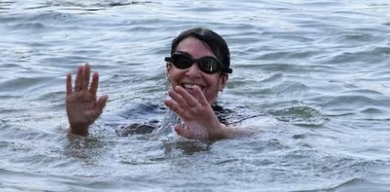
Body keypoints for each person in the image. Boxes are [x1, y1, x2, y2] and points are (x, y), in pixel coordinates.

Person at [65, 27, 251, 140]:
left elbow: (268, 131)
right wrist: (79, 128)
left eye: (207, 65)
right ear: (169, 69)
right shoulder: (142, 115)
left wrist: (218, 133)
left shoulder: (237, 119)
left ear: (222, 80)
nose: (193, 72)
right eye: (182, 61)